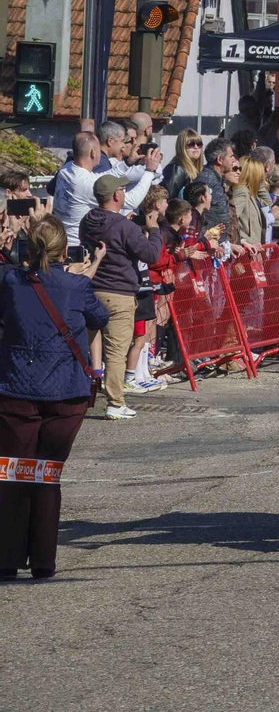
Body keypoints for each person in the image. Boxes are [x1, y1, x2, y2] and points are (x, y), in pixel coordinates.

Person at [0, 215, 109, 580]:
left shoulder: (11, 280)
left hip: (17, 386)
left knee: (15, 475)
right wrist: (80, 275)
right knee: (47, 475)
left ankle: (8, 558)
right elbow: (100, 316)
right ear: (65, 250)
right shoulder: (75, 285)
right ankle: (44, 560)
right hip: (65, 391)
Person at [78, 174, 164, 418]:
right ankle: (115, 403)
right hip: (119, 293)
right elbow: (150, 254)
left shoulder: (87, 221)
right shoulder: (124, 226)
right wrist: (153, 229)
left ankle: (84, 394)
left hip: (91, 289)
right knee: (116, 351)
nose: (125, 193)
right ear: (116, 195)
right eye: (123, 189)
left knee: (88, 347)